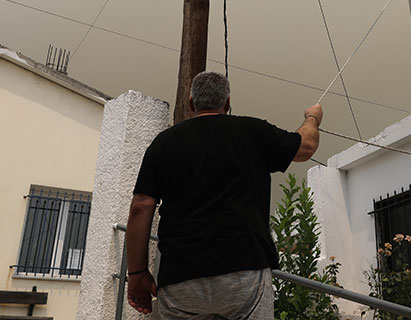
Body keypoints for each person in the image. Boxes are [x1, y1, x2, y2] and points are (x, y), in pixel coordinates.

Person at [126, 71, 322, 319]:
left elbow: (140, 207)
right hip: (244, 276)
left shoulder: (162, 143)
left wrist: (137, 274)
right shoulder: (252, 131)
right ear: (227, 103)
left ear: (191, 104)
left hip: (179, 279)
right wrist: (312, 117)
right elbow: (306, 147)